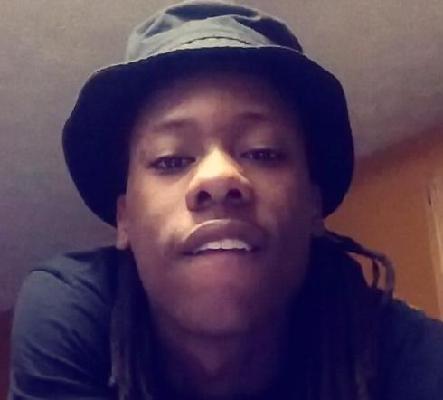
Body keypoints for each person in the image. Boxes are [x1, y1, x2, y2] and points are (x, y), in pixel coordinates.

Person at [8, 1, 443, 399]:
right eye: (171, 159)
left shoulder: (402, 351)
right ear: (125, 219)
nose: (218, 179)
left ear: (313, 204)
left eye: (263, 152)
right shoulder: (71, 316)